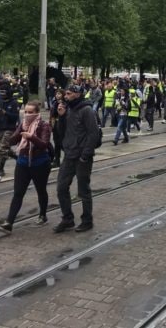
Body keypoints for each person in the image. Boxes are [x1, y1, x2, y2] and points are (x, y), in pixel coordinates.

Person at [0, 101, 52, 235]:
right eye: (25, 112)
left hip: (40, 163)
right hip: (23, 162)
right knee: (18, 192)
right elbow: (12, 141)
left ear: (37, 112)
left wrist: (31, 137)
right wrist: (15, 135)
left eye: (30, 112)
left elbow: (44, 144)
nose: (27, 114)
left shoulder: (44, 125)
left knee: (41, 190)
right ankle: (9, 223)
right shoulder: (23, 124)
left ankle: (43, 215)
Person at [54, 84, 99, 233]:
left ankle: (87, 220)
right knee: (61, 187)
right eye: (65, 94)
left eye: (68, 94)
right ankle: (68, 219)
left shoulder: (87, 110)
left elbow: (93, 134)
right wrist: (61, 117)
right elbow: (62, 133)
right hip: (69, 154)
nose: (65, 96)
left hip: (82, 157)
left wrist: (85, 155)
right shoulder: (68, 110)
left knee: (83, 190)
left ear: (77, 94)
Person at [0, 83, 20, 177]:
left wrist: (6, 113)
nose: (2, 94)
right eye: (0, 92)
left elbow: (15, 117)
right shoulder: (0, 102)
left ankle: (1, 168)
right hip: (0, 128)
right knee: (6, 149)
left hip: (10, 128)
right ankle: (17, 158)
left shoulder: (14, 103)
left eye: (3, 92)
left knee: (2, 149)